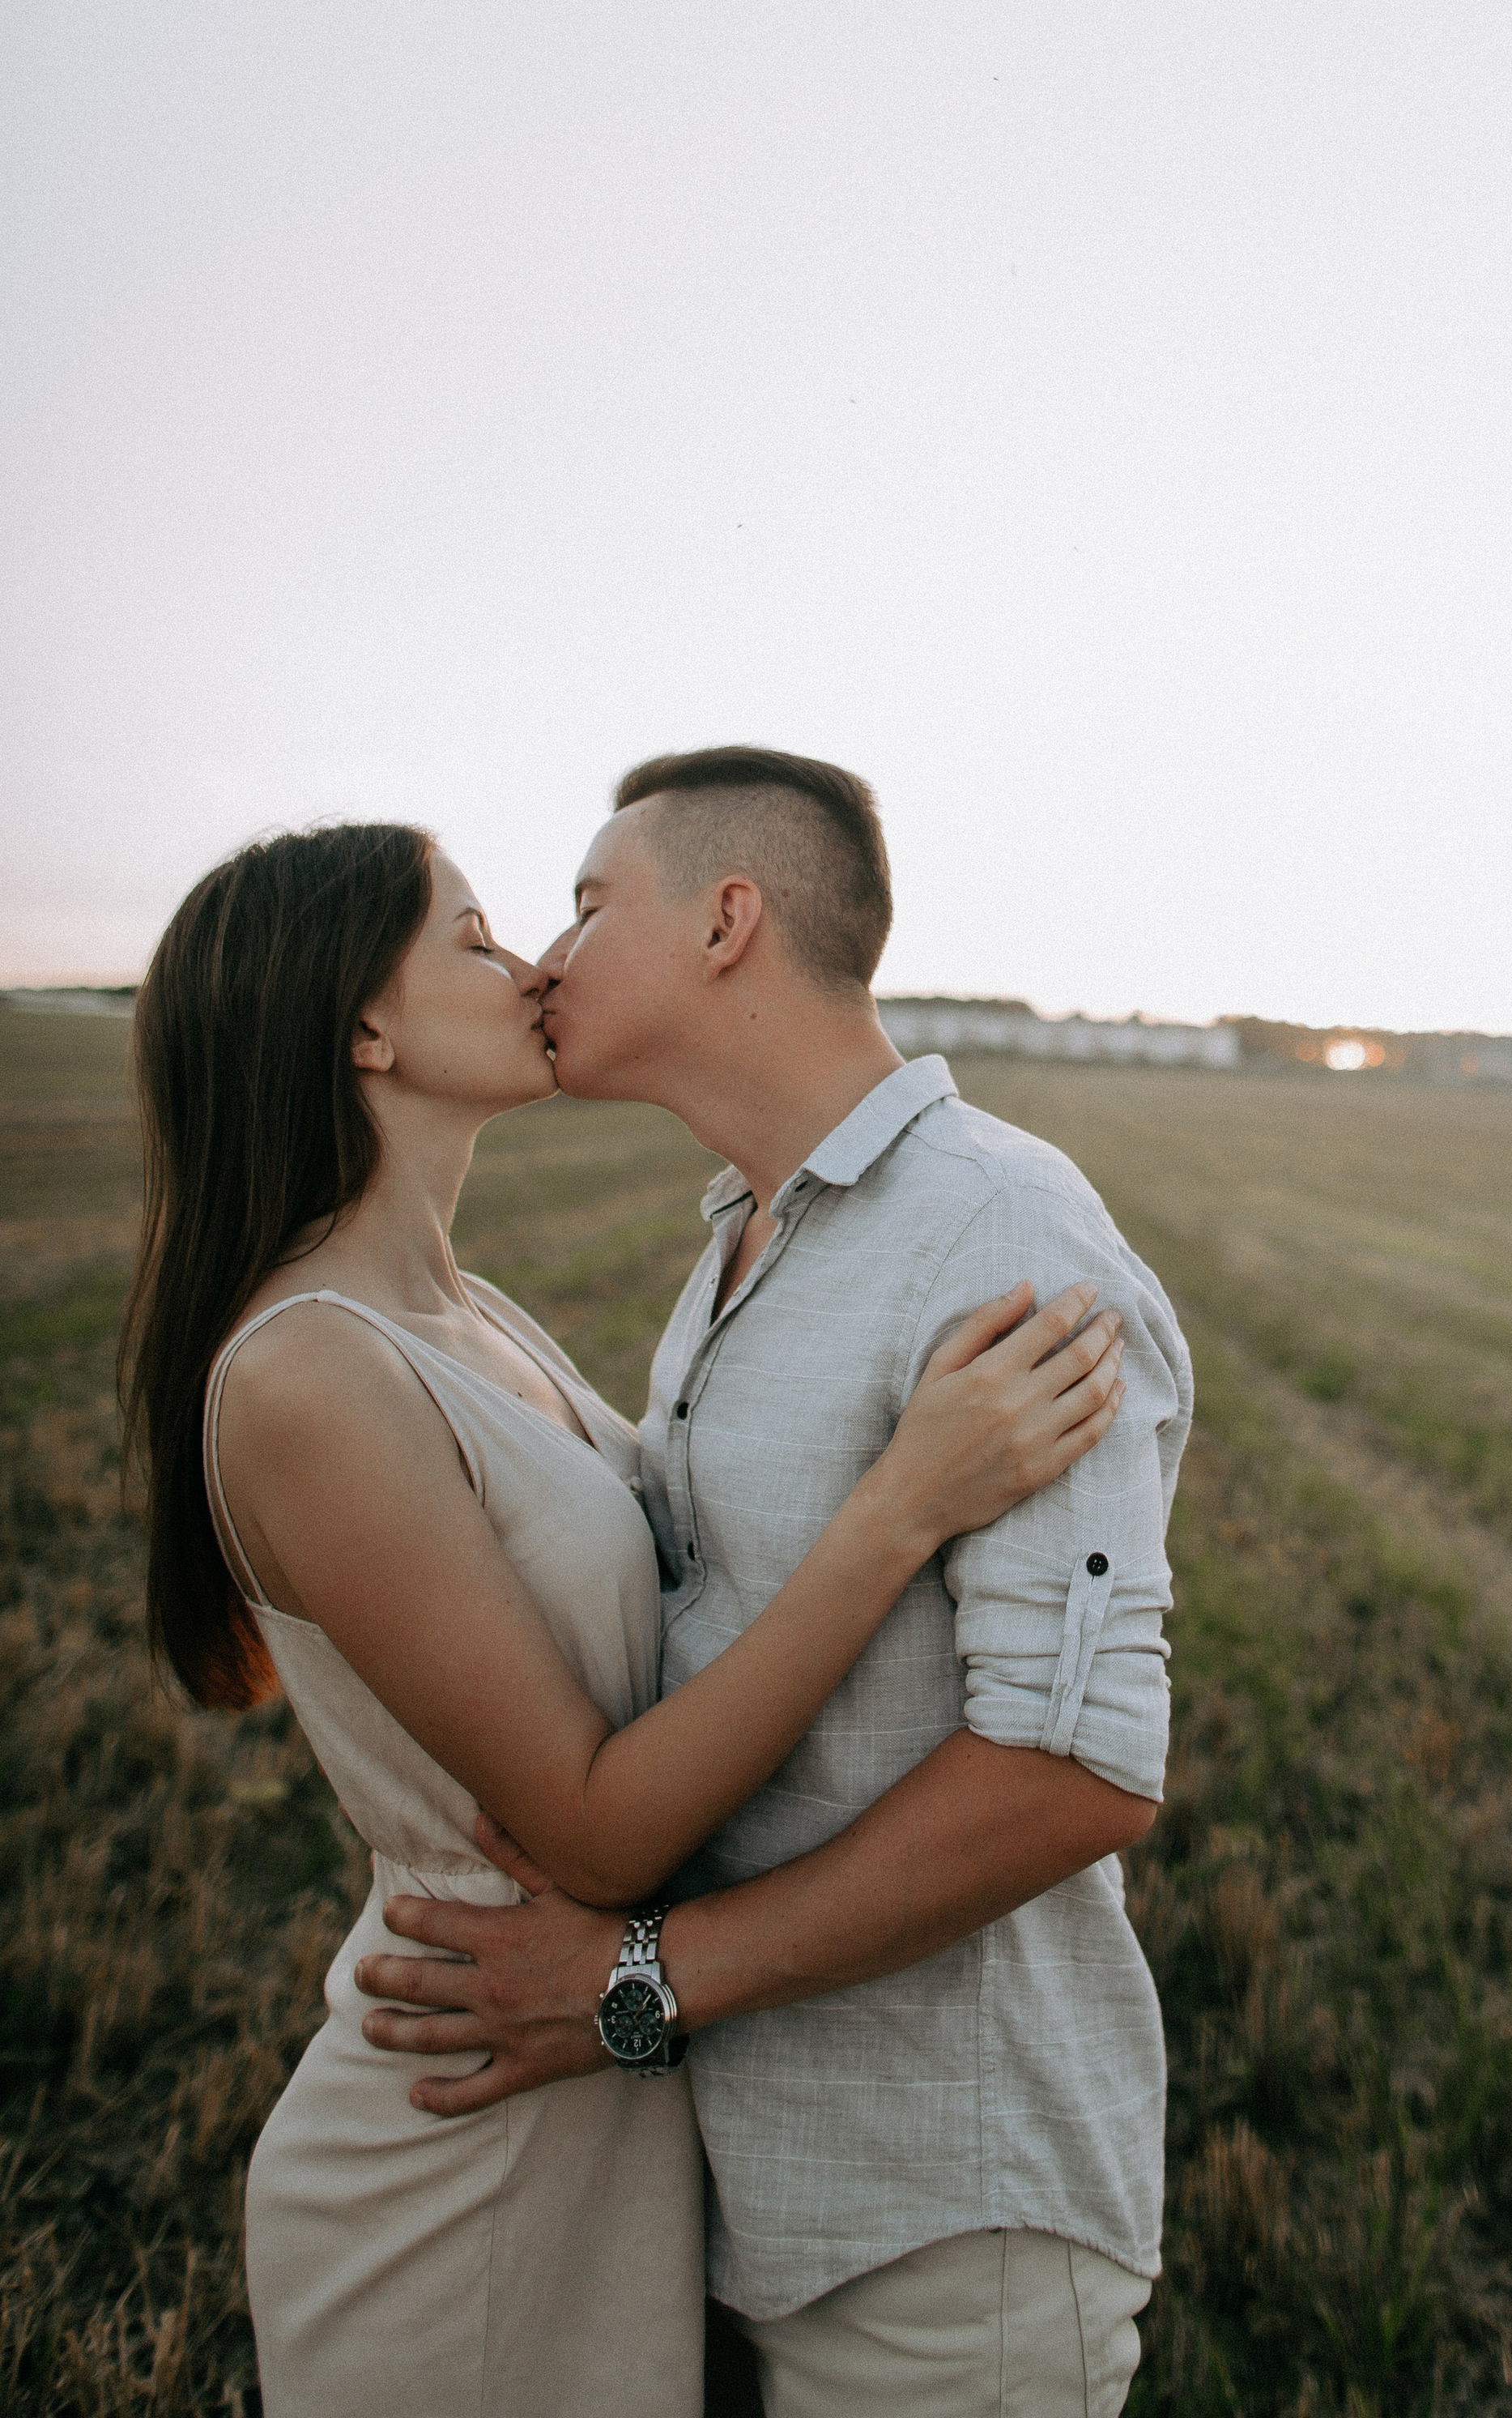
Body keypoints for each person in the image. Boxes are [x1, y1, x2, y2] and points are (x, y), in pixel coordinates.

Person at [121, 819, 1127, 2418]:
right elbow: (590, 1833)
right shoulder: (309, 1368)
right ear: (363, 1029)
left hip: (596, 2087)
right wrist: (899, 1508)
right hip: (472, 2122)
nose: (529, 965)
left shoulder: (464, 1312)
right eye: (473, 937)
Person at [356, 745, 1194, 2418]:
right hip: (740, 2181)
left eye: (590, 905)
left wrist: (634, 1984)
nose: (546, 956)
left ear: (727, 918)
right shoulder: (752, 1232)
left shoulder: (996, 1240)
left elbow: (1070, 1774)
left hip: (939, 2223)